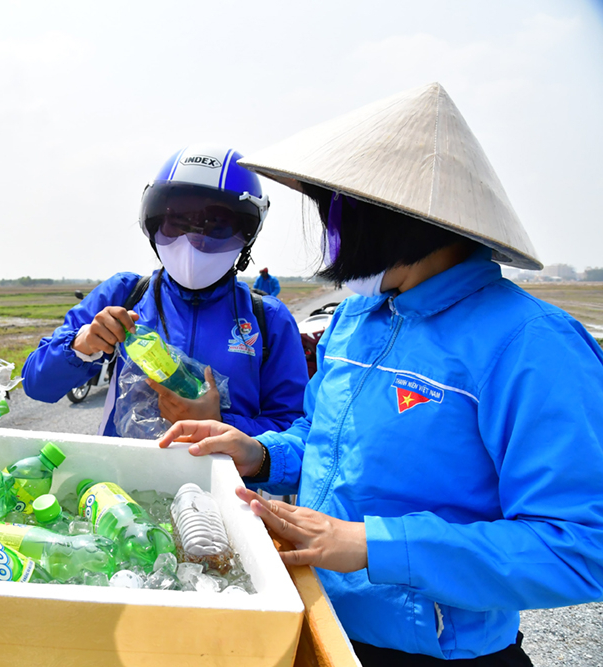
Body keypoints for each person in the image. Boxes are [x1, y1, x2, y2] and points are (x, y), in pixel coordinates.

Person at [160, 84, 603, 665]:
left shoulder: (528, 345)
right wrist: (263, 456)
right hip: (319, 615)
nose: (330, 237)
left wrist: (373, 545)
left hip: (434, 653)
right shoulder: (357, 317)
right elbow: (321, 438)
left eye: (335, 216)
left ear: (391, 220)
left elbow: (580, 548)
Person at [22, 145, 308, 438]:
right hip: (123, 479)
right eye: (178, 221)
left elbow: (296, 431)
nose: (192, 239)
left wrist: (220, 424)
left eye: (215, 224)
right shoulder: (124, 293)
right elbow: (36, 385)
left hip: (221, 483)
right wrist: (82, 346)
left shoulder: (268, 319)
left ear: (247, 231)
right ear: (155, 220)